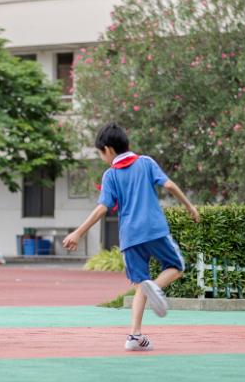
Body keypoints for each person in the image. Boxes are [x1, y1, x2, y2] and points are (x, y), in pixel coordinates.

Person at [63, 122, 200, 351]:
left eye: (100, 153)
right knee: (176, 267)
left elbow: (102, 208)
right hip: (154, 230)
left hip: (129, 238)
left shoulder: (110, 175)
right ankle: (155, 287)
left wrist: (78, 232)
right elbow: (170, 186)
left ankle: (135, 336)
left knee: (140, 285)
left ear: (108, 149)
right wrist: (190, 207)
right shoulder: (145, 163)